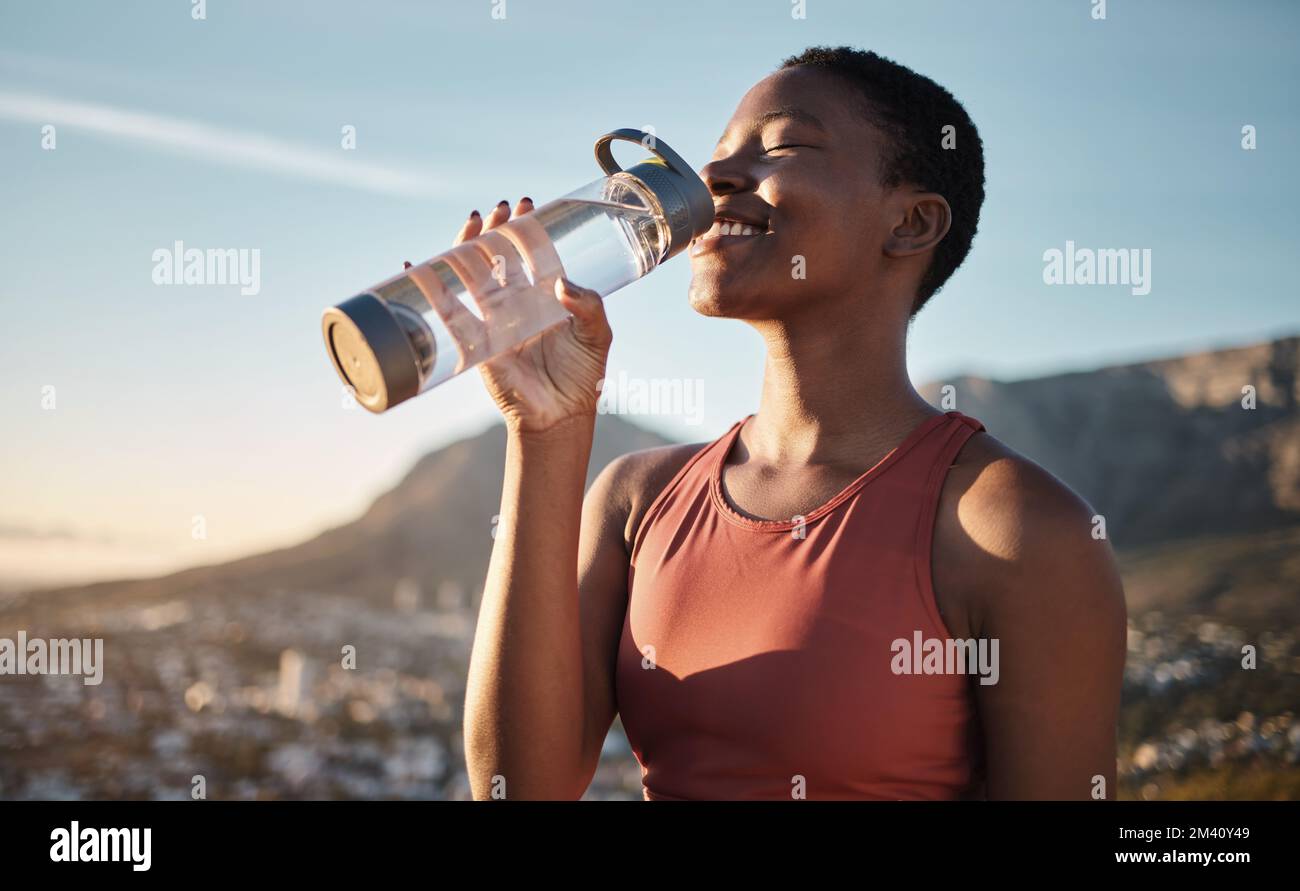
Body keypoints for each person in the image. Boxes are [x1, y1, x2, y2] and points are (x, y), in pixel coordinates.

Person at [461, 46, 1127, 800]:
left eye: (782, 147)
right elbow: (516, 789)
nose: (712, 182)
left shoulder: (1013, 528)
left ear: (911, 222)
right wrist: (545, 430)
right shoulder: (637, 498)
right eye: (717, 157)